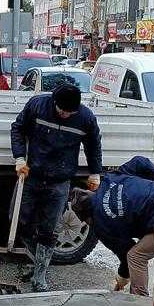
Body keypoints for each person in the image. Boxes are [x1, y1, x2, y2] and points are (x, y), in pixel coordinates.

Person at [10, 84, 103, 292]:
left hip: (59, 180)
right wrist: (19, 157)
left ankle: (40, 274)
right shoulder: (38, 106)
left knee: (49, 229)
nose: (65, 114)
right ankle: (36, 261)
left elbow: (93, 144)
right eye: (62, 110)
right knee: (19, 220)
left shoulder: (85, 118)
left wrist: (95, 172)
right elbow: (18, 128)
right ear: (54, 102)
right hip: (32, 174)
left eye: (70, 112)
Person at [70, 156, 154, 296]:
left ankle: (139, 302)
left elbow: (126, 253)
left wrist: (121, 279)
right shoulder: (110, 178)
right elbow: (140, 161)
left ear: (88, 216)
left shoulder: (101, 224)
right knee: (142, 246)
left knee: (136, 256)